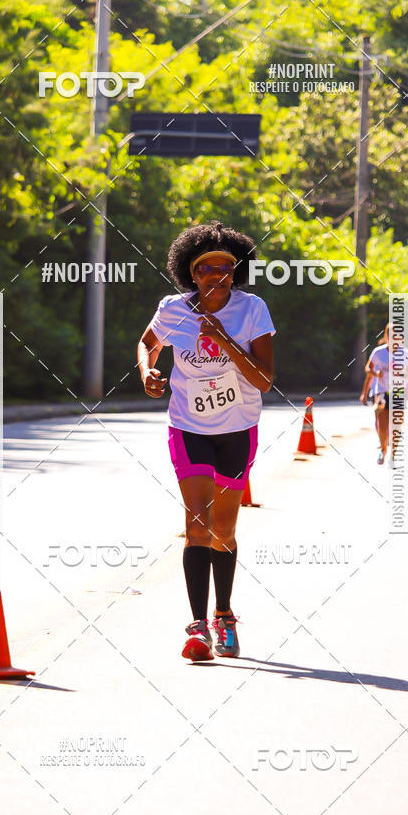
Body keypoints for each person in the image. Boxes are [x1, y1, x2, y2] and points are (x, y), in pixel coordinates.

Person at [137, 222, 275, 662]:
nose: (217, 273)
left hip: (237, 428)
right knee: (197, 525)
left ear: (237, 271)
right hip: (188, 427)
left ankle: (224, 614)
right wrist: (147, 371)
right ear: (190, 274)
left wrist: (225, 340)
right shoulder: (173, 309)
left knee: (224, 530)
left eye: (226, 266)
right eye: (205, 267)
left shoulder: (252, 309)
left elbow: (265, 381)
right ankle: (197, 628)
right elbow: (147, 343)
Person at [364, 324, 390, 465]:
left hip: (397, 391)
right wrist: (376, 373)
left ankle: (389, 441)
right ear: (386, 336)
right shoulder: (378, 352)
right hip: (380, 390)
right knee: (380, 418)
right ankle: (383, 447)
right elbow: (368, 369)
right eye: (390, 334)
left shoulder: (405, 353)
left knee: (394, 420)